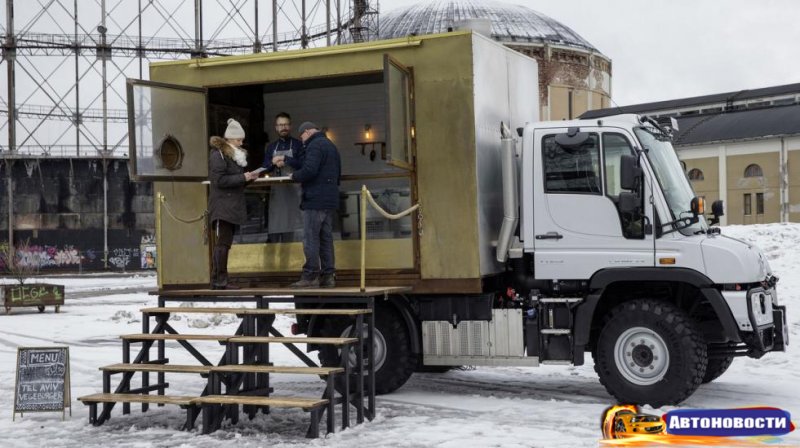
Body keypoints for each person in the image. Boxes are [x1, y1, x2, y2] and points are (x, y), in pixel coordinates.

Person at [208, 118, 259, 289]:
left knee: (225, 243)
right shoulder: (218, 155)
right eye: (238, 139)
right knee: (223, 244)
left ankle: (219, 279)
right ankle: (219, 280)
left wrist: (249, 178)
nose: (241, 142)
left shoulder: (230, 156)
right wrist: (243, 177)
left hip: (230, 206)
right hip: (223, 207)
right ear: (229, 139)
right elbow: (219, 180)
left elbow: (233, 181)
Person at [289, 121, 341, 288]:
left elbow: (309, 170)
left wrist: (294, 176)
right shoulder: (330, 145)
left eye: (301, 135)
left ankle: (310, 275)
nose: (301, 139)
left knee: (311, 238)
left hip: (315, 199)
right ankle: (328, 275)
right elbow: (338, 172)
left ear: (307, 132)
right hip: (329, 200)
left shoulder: (314, 146)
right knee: (326, 239)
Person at [262, 112, 304, 242]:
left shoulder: (298, 145)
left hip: (295, 192)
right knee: (277, 223)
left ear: (290, 126)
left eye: (285, 124)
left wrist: (286, 159)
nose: (283, 127)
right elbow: (264, 167)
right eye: (280, 125)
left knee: (295, 224)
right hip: (277, 193)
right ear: (276, 127)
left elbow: (303, 164)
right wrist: (273, 163)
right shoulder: (271, 147)